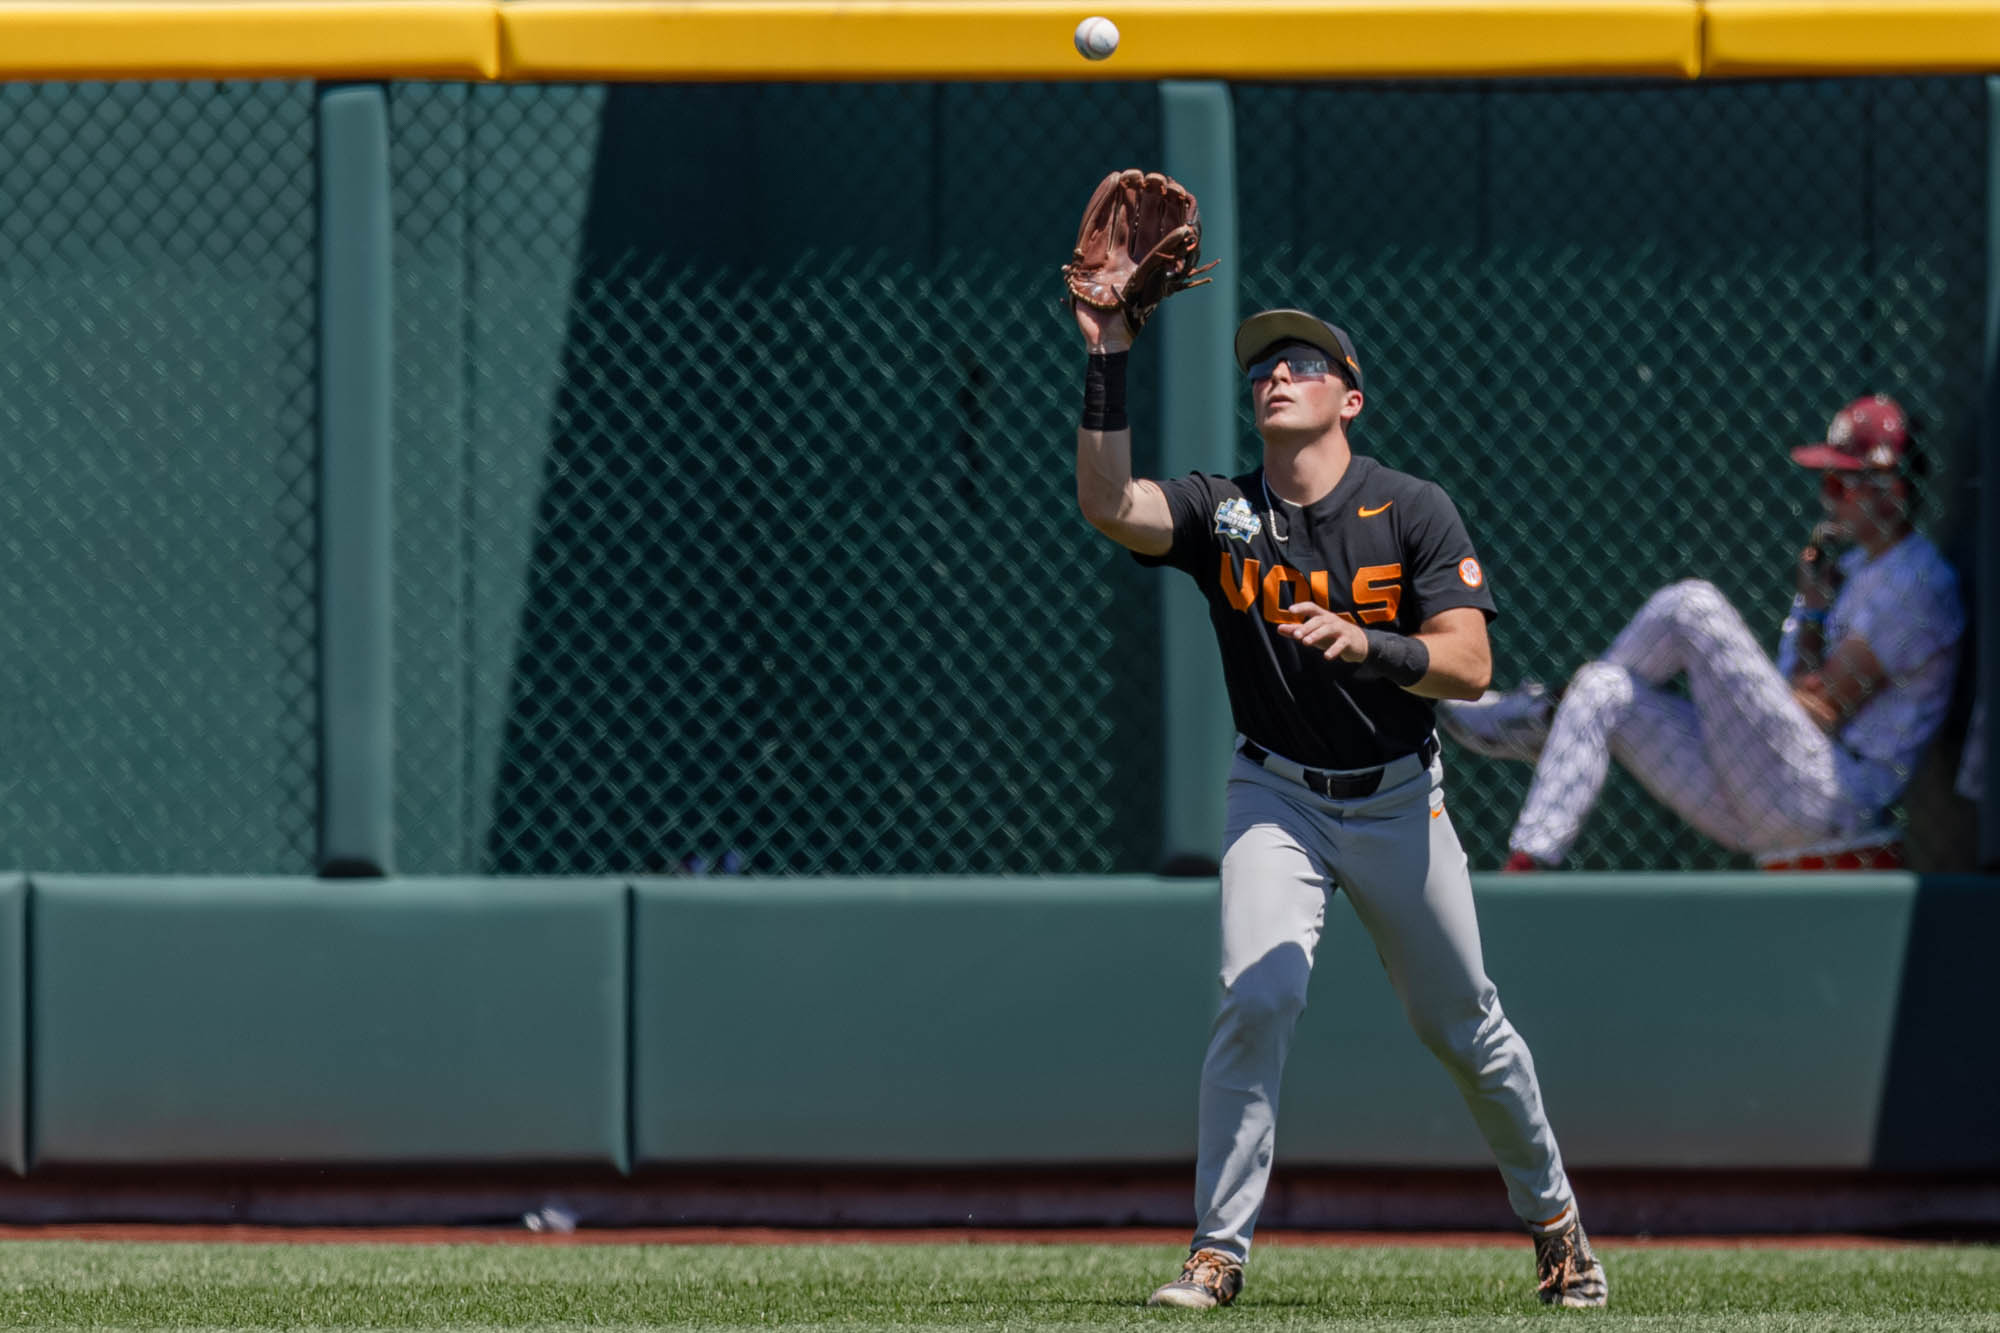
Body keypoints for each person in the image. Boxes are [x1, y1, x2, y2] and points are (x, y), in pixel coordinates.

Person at [1069, 297, 1607, 1309]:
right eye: (1262, 364)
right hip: (1273, 791)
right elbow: (1107, 503)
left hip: (1399, 799)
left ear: (1348, 397)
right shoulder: (1222, 508)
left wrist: (1371, 645)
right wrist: (1106, 355)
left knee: (1463, 1026)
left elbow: (1470, 661)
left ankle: (1554, 1221)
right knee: (1257, 992)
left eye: (1301, 362)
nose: (1273, 373)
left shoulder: (1408, 507)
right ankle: (1215, 1248)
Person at [1440, 396, 1964, 870]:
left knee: (1691, 607)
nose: (1828, 498)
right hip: (1775, 786)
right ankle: (1528, 865)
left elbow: (1824, 711)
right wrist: (1811, 611)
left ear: (1891, 492)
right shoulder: (1850, 571)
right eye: (1825, 482)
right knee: (1603, 688)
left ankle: (1549, 717)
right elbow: (1801, 700)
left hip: (1836, 795)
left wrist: (1747, 698)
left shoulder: (1917, 583)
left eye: (1840, 483)